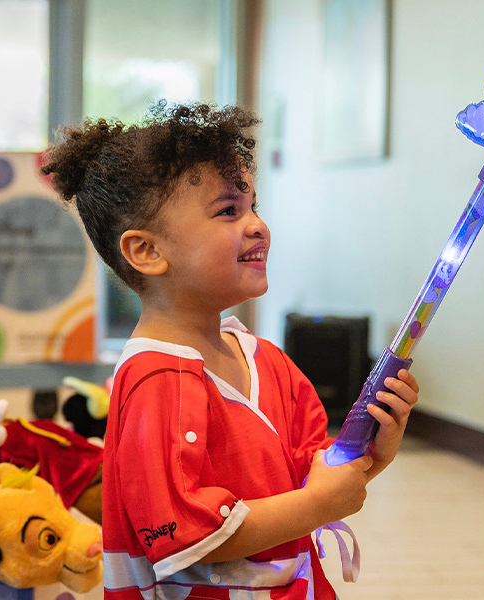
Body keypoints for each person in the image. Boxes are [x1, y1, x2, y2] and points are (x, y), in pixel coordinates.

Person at [41, 101, 421, 599]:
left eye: (254, 206)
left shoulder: (266, 360)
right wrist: (321, 503)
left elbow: (316, 473)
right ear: (148, 252)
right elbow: (182, 533)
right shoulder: (157, 382)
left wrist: (371, 453)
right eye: (228, 211)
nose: (257, 225)